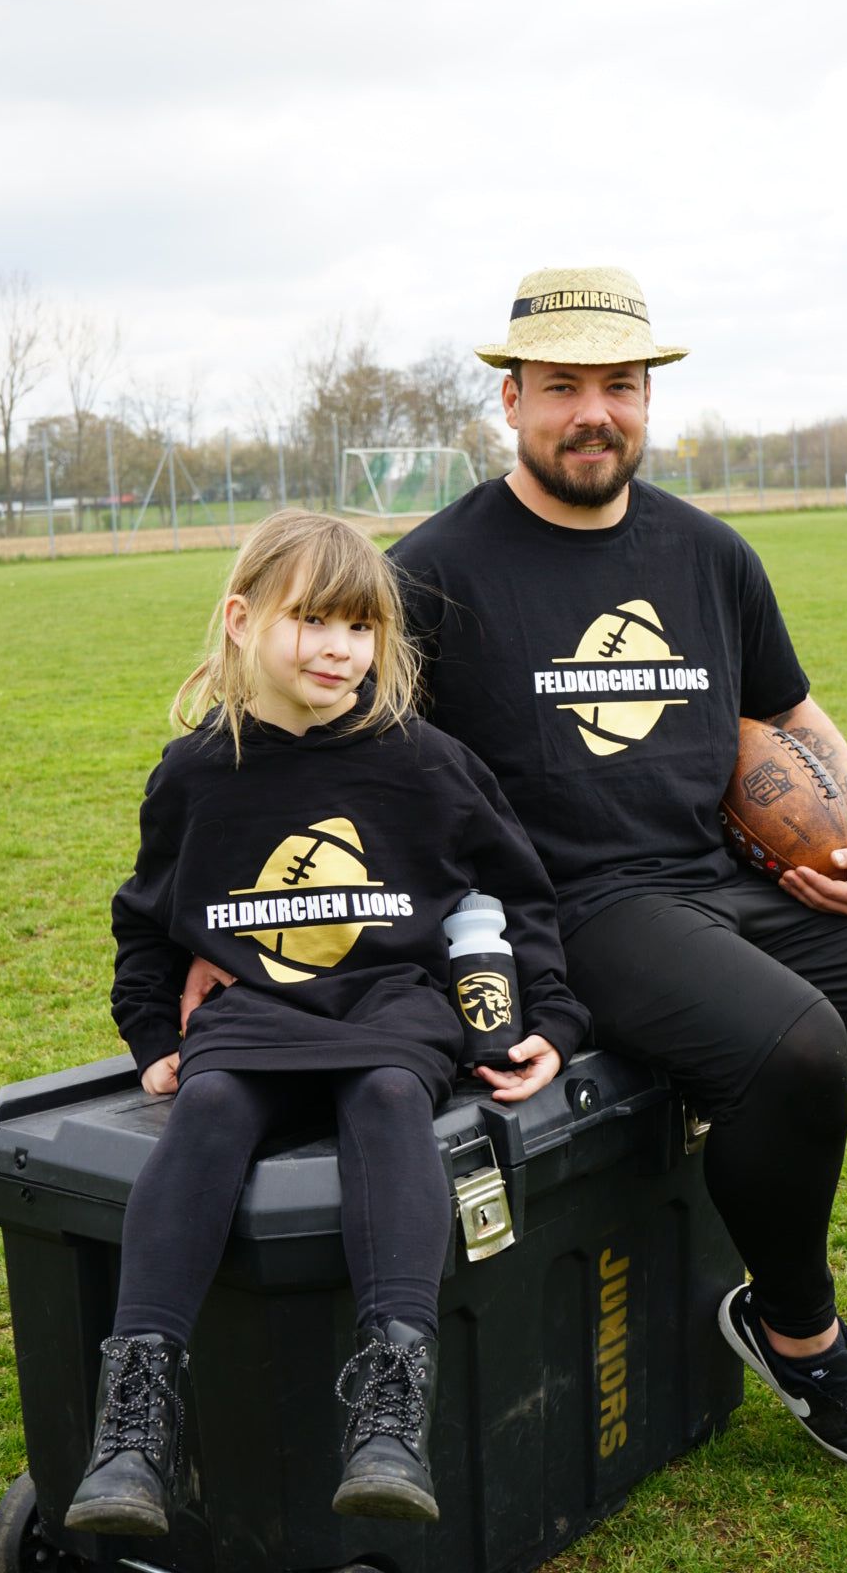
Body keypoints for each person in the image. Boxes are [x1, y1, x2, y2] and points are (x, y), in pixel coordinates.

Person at [382, 265, 847, 1468]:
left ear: (647, 399)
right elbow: (350, 767)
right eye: (563, 387)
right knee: (795, 1048)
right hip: (577, 904)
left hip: (720, 878)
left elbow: (794, 712)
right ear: (511, 401)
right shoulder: (434, 571)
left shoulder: (708, 553)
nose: (595, 413)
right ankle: (793, 1329)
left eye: (619, 386)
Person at [64, 509, 589, 1538]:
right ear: (241, 618)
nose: (341, 647)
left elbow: (522, 894)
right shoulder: (196, 772)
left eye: (362, 626)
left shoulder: (427, 761)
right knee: (210, 1107)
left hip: (395, 1004)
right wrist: (151, 1037)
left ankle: (391, 1408)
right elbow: (146, 918)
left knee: (389, 1094)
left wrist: (555, 1016)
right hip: (253, 1010)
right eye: (314, 619)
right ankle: (134, 1425)